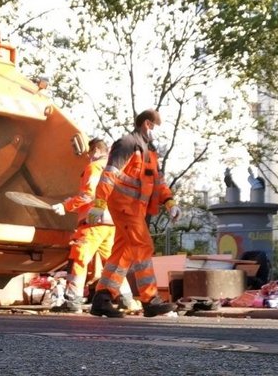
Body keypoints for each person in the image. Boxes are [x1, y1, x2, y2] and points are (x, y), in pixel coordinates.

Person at [87, 108, 181, 318]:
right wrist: (99, 202)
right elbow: (109, 174)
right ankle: (150, 299)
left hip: (135, 209)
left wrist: (170, 203)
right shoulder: (127, 144)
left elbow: (159, 182)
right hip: (125, 206)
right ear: (148, 124)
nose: (160, 133)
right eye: (158, 127)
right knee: (143, 246)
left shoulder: (150, 151)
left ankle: (102, 298)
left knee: (124, 252)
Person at [51, 137, 133, 313]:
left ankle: (72, 301)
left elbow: (88, 195)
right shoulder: (118, 169)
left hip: (93, 224)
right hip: (112, 224)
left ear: (95, 151)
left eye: (89, 154)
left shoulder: (95, 167)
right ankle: (126, 299)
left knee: (78, 258)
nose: (88, 157)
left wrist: (66, 206)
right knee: (112, 263)